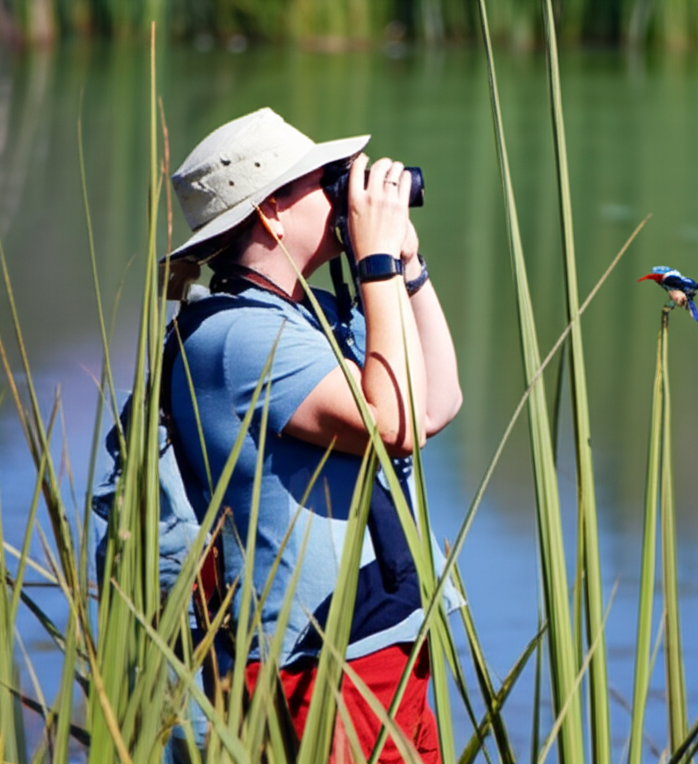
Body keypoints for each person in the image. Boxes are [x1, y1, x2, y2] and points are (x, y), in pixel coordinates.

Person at [162, 107, 463, 762]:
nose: (342, 187)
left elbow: (435, 402)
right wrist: (375, 261)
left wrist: (406, 267)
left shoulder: (312, 317)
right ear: (270, 212)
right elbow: (396, 426)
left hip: (386, 638)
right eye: (321, 180)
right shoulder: (232, 337)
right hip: (317, 668)